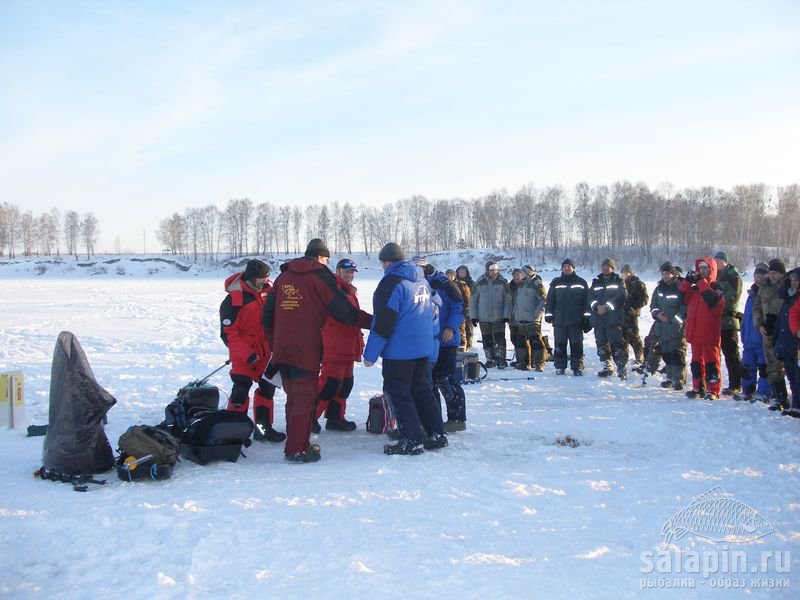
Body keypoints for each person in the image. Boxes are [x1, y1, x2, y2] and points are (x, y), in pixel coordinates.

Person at [262, 239, 371, 463]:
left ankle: (297, 441)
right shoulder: (320, 277)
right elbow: (345, 312)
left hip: (283, 348)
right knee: (304, 398)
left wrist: (276, 344)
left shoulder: (283, 277)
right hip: (306, 348)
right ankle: (296, 449)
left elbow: (266, 317)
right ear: (322, 258)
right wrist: (377, 323)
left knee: (294, 397)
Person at [363, 243, 447, 455]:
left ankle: (412, 439)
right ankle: (437, 434)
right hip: (423, 347)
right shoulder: (421, 279)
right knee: (422, 391)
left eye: (382, 263)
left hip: (399, 351)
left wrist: (370, 354)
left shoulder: (391, 283)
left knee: (399, 393)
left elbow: (384, 322)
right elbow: (437, 304)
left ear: (388, 262)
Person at [220, 259, 286, 443]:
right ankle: (234, 433)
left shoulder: (269, 294)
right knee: (240, 390)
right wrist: (247, 354)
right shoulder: (233, 300)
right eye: (261, 278)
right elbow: (228, 334)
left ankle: (263, 430)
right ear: (250, 278)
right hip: (244, 356)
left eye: (266, 277)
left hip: (266, 354)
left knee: (267, 391)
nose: (264, 281)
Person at [312, 258, 370, 433]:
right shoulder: (334, 290)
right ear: (337, 271)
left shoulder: (349, 291)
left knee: (345, 384)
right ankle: (309, 418)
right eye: (347, 271)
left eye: (352, 272)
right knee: (329, 384)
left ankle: (336, 417)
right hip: (335, 345)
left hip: (349, 346)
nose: (350, 275)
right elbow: (348, 315)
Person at [419, 259, 466, 432]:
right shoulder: (414, 282)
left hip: (446, 339)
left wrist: (451, 328)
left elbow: (459, 306)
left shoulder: (443, 282)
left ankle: (457, 418)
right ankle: (433, 420)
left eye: (420, 268)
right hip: (427, 340)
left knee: (446, 380)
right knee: (428, 383)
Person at [681, 258, 725, 400]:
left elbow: (711, 301)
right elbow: (681, 299)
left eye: (706, 268)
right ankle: (698, 387)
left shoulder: (717, 288)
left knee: (711, 362)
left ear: (712, 270)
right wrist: (687, 283)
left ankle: (713, 390)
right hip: (695, 331)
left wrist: (700, 282)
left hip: (709, 333)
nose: (702, 271)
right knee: (696, 362)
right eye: (700, 268)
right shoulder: (695, 289)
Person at [544, 258, 591, 376]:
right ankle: (560, 366)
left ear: (573, 268)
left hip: (576, 321)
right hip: (560, 320)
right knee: (560, 345)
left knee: (576, 345)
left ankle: (577, 367)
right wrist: (549, 314)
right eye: (564, 266)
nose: (566, 268)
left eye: (569, 266)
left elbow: (587, 301)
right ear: (562, 268)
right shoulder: (556, 283)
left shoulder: (581, 283)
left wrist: (587, 318)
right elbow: (550, 300)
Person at [753, 259, 789, 410]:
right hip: (768, 331)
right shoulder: (764, 286)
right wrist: (759, 324)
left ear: (782, 273)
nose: (773, 276)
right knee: (772, 366)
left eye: (775, 273)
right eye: (771, 273)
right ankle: (780, 397)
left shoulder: (789, 286)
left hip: (785, 331)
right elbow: (757, 307)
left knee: (791, 365)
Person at [735, 263, 771, 402]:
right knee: (747, 366)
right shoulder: (751, 294)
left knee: (764, 367)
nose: (758, 278)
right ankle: (747, 390)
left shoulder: (768, 293)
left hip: (762, 339)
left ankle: (764, 392)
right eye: (756, 275)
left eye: (761, 275)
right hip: (749, 339)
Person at [648, 261, 687, 390]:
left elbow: (684, 307)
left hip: (676, 328)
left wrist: (675, 321)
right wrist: (657, 314)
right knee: (666, 353)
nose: (665, 276)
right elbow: (653, 305)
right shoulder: (659, 288)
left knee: (677, 353)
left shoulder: (680, 287)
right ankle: (669, 377)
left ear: (673, 274)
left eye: (667, 273)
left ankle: (679, 379)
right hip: (662, 326)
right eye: (663, 273)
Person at [588, 258, 629, 379]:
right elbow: (590, 297)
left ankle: (621, 368)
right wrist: (596, 306)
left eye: (608, 266)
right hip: (598, 319)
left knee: (617, 345)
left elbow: (621, 297)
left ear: (612, 268)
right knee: (601, 344)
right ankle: (607, 366)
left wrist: (607, 307)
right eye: (603, 266)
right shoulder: (596, 282)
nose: (605, 268)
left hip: (613, 318)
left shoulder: (618, 281)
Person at [470, 261, 512, 368]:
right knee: (487, 340)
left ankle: (501, 359)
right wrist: (473, 316)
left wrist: (506, 315)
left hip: (498, 317)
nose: (494, 272)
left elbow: (508, 300)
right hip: (483, 317)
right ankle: (490, 359)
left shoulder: (503, 282)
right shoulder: (479, 282)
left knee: (499, 339)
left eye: (496, 270)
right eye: (492, 270)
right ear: (487, 270)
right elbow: (473, 300)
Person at [714, 251, 744, 396]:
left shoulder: (733, 277)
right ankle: (713, 381)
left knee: (731, 353)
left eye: (719, 261)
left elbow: (732, 297)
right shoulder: (714, 275)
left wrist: (715, 301)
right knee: (714, 353)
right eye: (715, 260)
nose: (717, 263)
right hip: (714, 321)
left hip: (728, 320)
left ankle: (736, 383)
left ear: (725, 262)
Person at [772, 267, 800, 416]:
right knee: (792, 375)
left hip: (796, 343)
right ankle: (796, 405)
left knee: (797, 375)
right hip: (787, 342)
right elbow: (783, 322)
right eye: (792, 280)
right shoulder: (789, 298)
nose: (794, 283)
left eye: (797, 280)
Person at [509, 266, 547, 371]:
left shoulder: (536, 284)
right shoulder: (521, 285)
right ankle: (523, 362)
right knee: (521, 342)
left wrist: (536, 315)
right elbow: (517, 302)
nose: (520, 274)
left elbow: (543, 301)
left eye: (522, 272)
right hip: (520, 319)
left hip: (532, 319)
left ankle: (539, 363)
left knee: (536, 342)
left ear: (528, 273)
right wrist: (515, 314)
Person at [620, 264, 649, 366]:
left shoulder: (638, 284)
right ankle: (624, 357)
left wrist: (634, 308)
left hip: (631, 314)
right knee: (622, 337)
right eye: (622, 272)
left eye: (626, 272)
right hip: (621, 314)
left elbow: (644, 299)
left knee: (633, 336)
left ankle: (639, 357)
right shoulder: (620, 284)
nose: (624, 274)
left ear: (630, 272)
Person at [455, 265, 475, 349]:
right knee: (459, 328)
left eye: (464, 271)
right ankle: (460, 344)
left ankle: (469, 344)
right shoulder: (454, 283)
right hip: (458, 308)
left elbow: (475, 295)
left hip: (469, 308)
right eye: (460, 271)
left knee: (468, 328)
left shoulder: (471, 283)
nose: (462, 273)